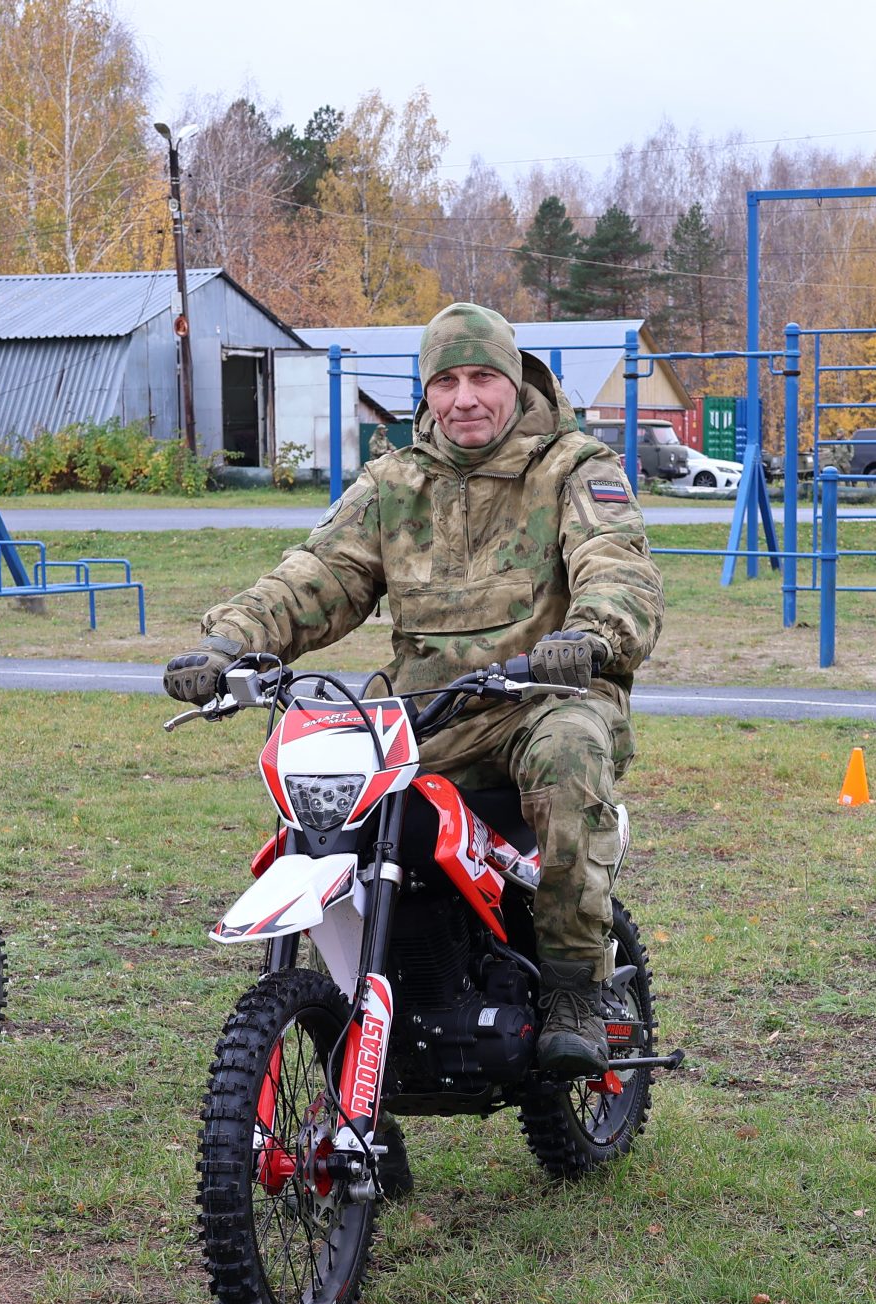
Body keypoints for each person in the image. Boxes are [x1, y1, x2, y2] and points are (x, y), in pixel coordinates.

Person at [166, 303, 663, 1075]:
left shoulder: (573, 467)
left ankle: (574, 987)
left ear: (514, 380)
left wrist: (593, 632)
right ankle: (349, 1028)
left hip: (539, 700)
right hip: (423, 713)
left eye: (483, 378)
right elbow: (320, 573)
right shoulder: (393, 483)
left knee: (569, 752)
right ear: (426, 392)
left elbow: (616, 562)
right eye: (447, 381)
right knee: (320, 787)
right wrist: (229, 639)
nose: (465, 398)